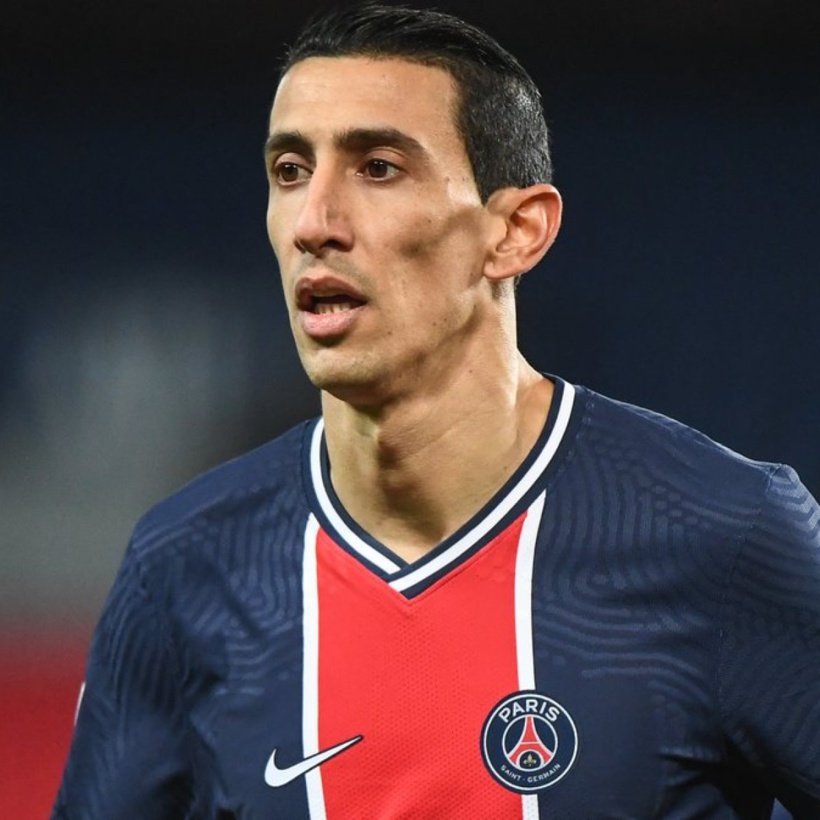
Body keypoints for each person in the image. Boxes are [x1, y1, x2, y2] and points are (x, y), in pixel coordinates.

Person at [53, 3, 820, 818]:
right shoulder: (183, 568)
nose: (314, 223)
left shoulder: (726, 537)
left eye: (379, 168)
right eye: (290, 170)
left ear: (515, 232)